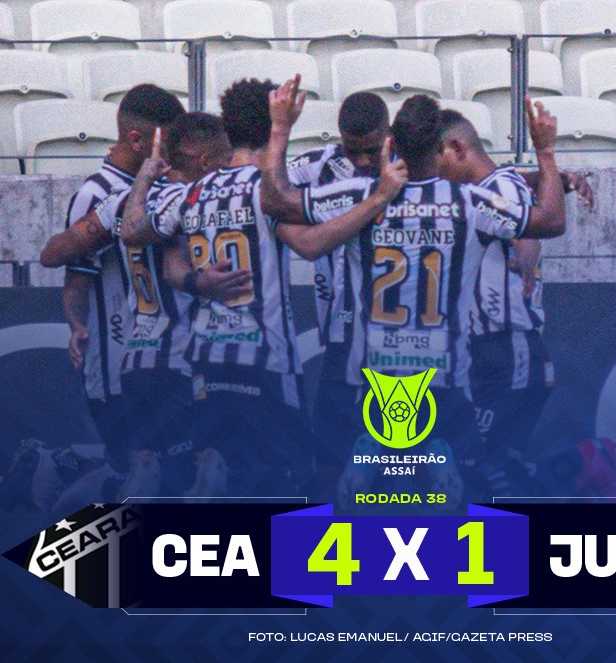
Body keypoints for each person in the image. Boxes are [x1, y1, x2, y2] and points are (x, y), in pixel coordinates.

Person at [262, 84, 566, 505]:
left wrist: (280, 129)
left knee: (365, 496)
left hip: (373, 378)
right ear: (440, 149)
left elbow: (276, 199)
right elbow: (551, 220)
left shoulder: (362, 197)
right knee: (467, 497)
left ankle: (362, 502)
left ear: (391, 144)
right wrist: (545, 152)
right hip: (444, 379)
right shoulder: (470, 203)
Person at [121, 78, 408, 497]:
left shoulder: (193, 192)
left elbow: (132, 231)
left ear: (228, 130)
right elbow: (311, 246)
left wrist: (145, 177)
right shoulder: (268, 193)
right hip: (265, 360)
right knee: (290, 479)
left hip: (206, 360)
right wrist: (376, 200)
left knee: (227, 468)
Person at [40, 113, 243, 505]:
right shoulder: (191, 203)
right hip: (182, 363)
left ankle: (78, 496)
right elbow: (172, 269)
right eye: (222, 162)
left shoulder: (121, 202)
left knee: (146, 480)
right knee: (196, 482)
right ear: (203, 161)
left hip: (137, 364)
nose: (225, 172)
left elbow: (52, 253)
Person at [437, 108, 616, 500]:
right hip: (487, 355)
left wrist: (525, 259)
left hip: (509, 350)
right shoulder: (484, 190)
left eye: (436, 160)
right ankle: (584, 464)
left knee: (474, 466)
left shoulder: (501, 187)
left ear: (457, 149)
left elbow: (528, 234)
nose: (433, 172)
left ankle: (583, 465)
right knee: (486, 464)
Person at [61, 84, 185, 472]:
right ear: (136, 140)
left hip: (158, 366)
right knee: (132, 476)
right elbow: (76, 279)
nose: (174, 152)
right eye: (168, 142)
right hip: (113, 368)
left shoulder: (164, 189)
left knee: (164, 476)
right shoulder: (95, 194)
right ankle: (55, 474)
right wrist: (77, 326)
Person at [286, 91, 392, 495]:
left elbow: (478, 182)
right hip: (340, 330)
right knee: (330, 445)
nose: (363, 161)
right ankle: (330, 523)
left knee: (394, 453)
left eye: (371, 150)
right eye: (353, 149)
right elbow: (266, 185)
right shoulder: (319, 165)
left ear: (388, 133)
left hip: (398, 337)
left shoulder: (409, 167)